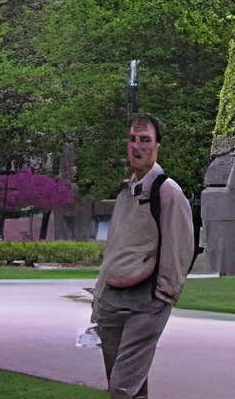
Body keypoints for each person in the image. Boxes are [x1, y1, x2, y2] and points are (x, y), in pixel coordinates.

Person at [91, 114, 196, 398]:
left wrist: (164, 295)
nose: (137, 146)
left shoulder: (167, 192)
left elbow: (181, 247)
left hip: (146, 303)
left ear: (157, 146)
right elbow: (115, 249)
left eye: (145, 140)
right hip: (112, 302)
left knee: (122, 388)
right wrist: (99, 299)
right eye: (133, 139)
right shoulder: (126, 192)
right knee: (132, 388)